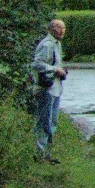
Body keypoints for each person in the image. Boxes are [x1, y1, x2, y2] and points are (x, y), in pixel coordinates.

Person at [31, 18, 69, 162]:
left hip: (55, 88)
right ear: (52, 29)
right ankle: (40, 154)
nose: (62, 31)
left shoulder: (57, 44)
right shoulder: (47, 45)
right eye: (60, 28)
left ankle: (46, 154)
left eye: (64, 28)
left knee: (52, 122)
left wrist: (61, 70)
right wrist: (55, 69)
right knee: (44, 121)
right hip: (46, 89)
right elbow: (36, 64)